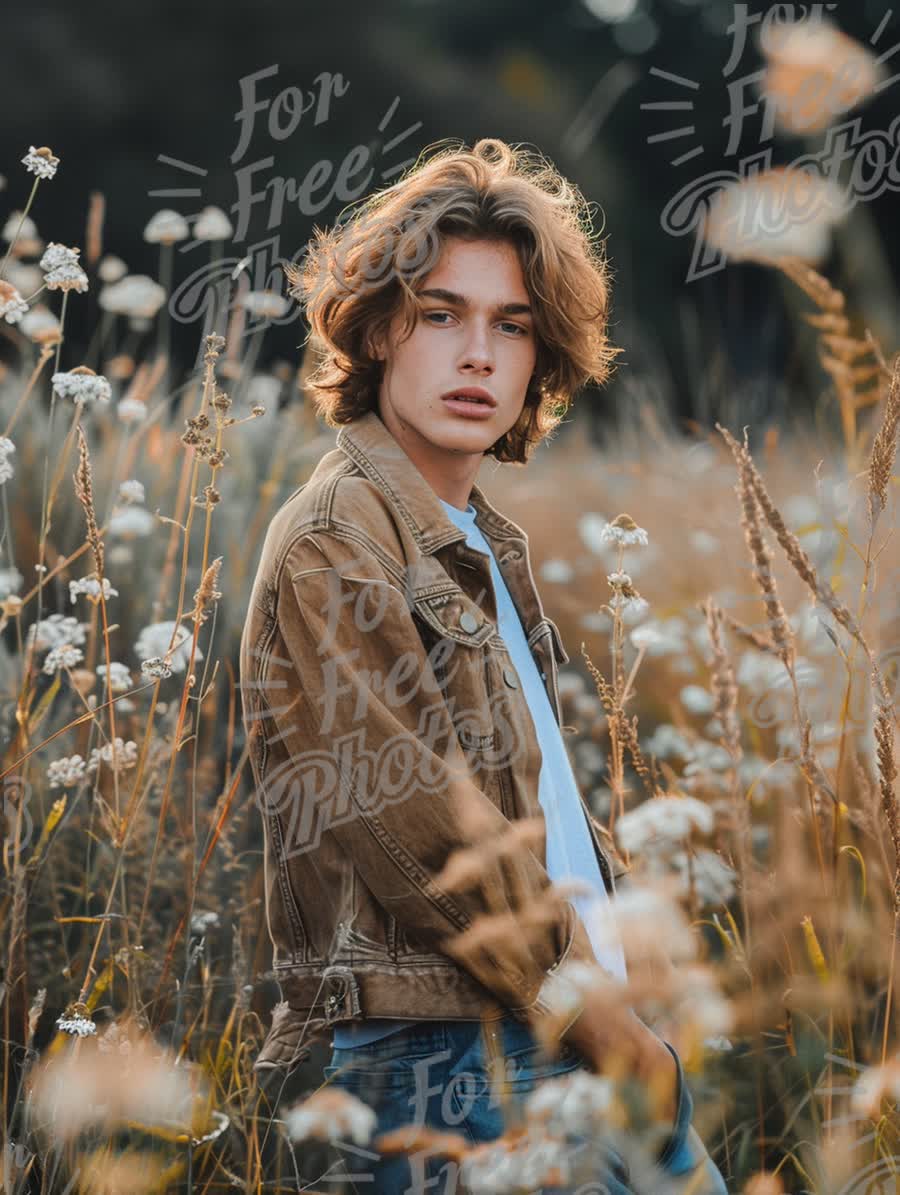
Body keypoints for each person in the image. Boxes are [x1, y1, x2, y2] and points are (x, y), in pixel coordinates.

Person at [239, 137, 729, 1193]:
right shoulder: (339, 539)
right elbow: (411, 829)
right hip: (446, 1060)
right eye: (441, 315)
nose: (479, 356)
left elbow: (527, 808)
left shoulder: (471, 540)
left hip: (563, 1033)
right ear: (375, 331)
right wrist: (594, 1016)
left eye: (512, 326)